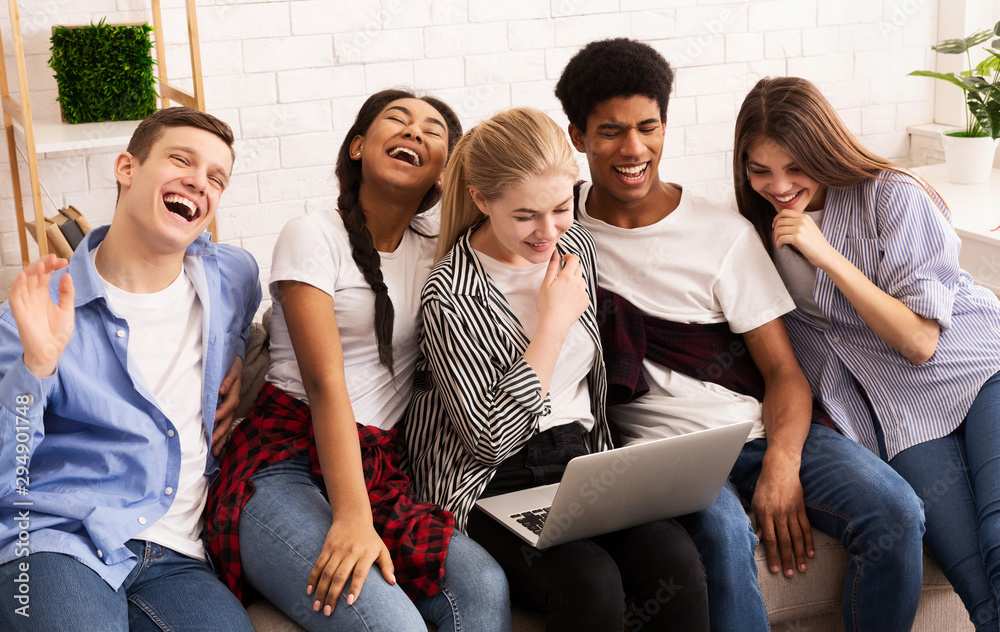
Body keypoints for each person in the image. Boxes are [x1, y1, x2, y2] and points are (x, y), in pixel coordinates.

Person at [554, 38, 927, 632]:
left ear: (666, 125)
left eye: (648, 127)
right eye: (609, 131)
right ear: (577, 136)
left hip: (753, 432)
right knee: (725, 537)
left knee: (896, 511)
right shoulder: (553, 228)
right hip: (657, 455)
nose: (633, 148)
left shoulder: (722, 234)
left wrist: (782, 459)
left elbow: (782, 372)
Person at [206, 89, 511, 632]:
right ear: (356, 147)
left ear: (446, 172)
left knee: (484, 585)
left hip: (381, 470)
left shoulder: (445, 251)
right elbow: (325, 384)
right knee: (394, 626)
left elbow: (524, 206)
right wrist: (351, 517)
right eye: (397, 119)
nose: (414, 131)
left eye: (433, 130)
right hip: (285, 461)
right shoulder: (313, 234)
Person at [404, 106, 710, 632]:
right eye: (526, 216)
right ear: (481, 199)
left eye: (561, 207)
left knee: (676, 562)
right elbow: (489, 441)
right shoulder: (450, 296)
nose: (548, 231)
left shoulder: (575, 249)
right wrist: (550, 327)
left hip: (581, 461)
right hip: (492, 483)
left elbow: (589, 392)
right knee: (591, 584)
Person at [734, 75, 1000, 631]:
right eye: (760, 169)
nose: (778, 186)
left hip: (978, 372)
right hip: (901, 416)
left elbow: (921, 341)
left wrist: (823, 252)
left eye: (794, 167)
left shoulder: (892, 193)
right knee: (978, 589)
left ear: (823, 148)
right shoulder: (752, 234)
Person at [0, 107, 261, 631]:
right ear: (126, 167)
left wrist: (232, 358)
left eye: (216, 178)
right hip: (59, 539)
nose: (199, 182)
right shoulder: (32, 314)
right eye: (180, 160)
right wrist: (37, 368)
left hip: (179, 556)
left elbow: (241, 331)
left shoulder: (233, 276)